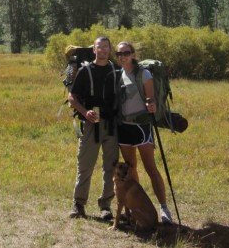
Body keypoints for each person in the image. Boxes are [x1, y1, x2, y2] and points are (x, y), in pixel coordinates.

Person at [115, 41, 173, 224]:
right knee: (131, 169)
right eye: (119, 53)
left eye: (126, 52)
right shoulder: (118, 74)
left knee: (151, 168)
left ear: (133, 54)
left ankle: (164, 209)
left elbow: (151, 98)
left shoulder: (144, 73)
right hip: (124, 127)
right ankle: (136, 206)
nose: (122, 55)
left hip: (141, 126)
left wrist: (152, 104)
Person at [68, 36, 120, 220]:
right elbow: (72, 97)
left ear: (110, 49)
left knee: (111, 167)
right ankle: (78, 204)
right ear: (94, 50)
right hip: (91, 124)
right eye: (100, 47)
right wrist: (84, 112)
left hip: (112, 125)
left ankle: (105, 206)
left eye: (106, 47)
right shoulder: (85, 71)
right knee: (85, 166)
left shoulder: (116, 70)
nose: (103, 50)